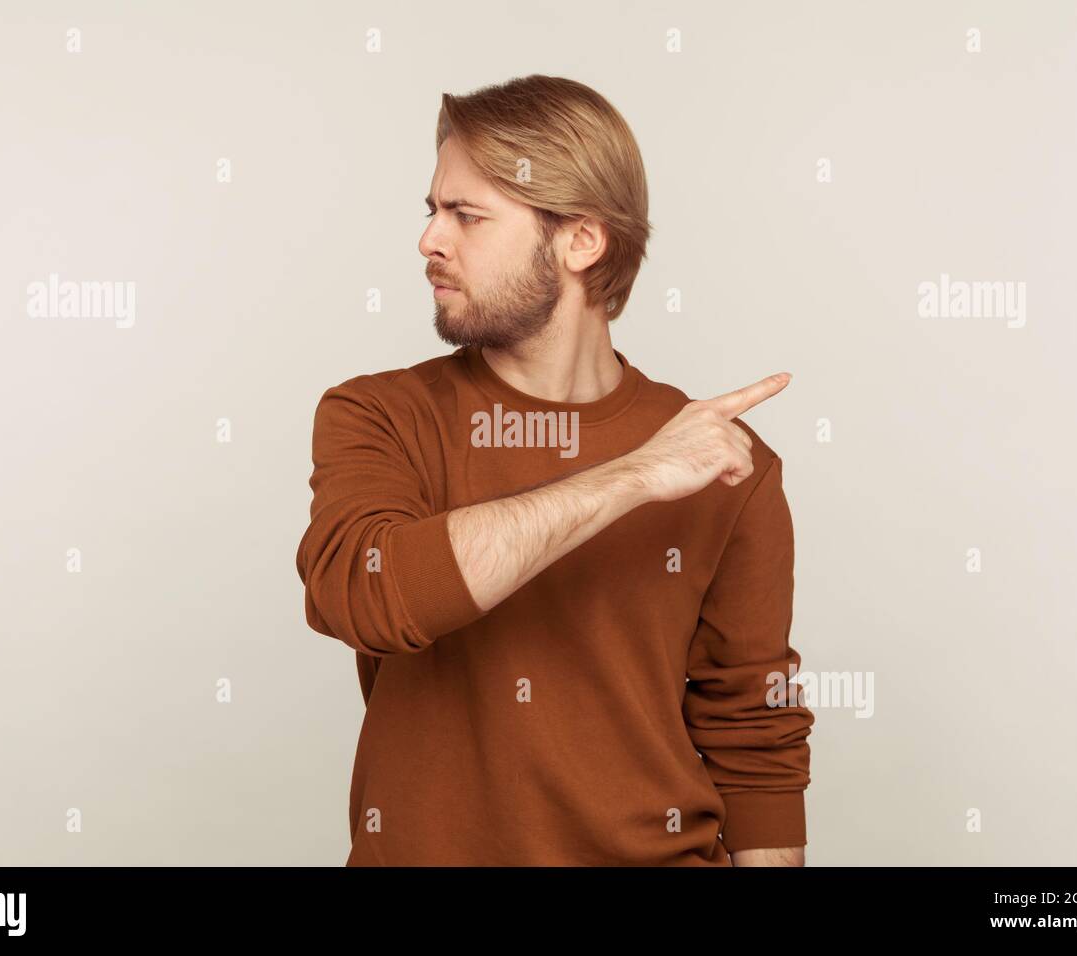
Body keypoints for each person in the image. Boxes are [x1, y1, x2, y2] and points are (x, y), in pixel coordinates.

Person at [296, 74, 814, 866]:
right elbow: (368, 595)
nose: (430, 241)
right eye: (432, 211)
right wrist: (632, 476)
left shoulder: (725, 463)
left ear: (582, 240)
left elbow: (755, 731)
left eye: (466, 215)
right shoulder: (379, 416)